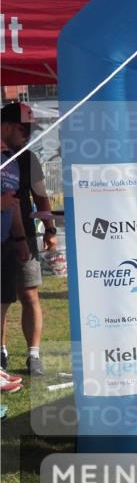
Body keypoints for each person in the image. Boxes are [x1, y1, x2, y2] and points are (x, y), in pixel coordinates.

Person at [0, 103, 56, 375]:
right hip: (6, 236)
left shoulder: (28, 158)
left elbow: (41, 196)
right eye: (25, 129)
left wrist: (50, 228)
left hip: (24, 237)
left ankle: (33, 355)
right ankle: (1, 353)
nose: (29, 135)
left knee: (29, 294)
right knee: (1, 299)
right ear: (7, 126)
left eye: (31, 129)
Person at [2, 136, 32, 384]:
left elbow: (13, 204)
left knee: (3, 303)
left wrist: (20, 238)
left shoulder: (9, 163)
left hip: (4, 243)